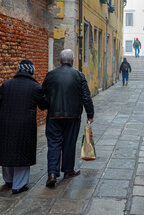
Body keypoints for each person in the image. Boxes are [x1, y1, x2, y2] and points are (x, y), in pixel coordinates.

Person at [0, 59, 47, 194]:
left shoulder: (6, 85)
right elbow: (44, 105)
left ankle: (9, 180)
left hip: (6, 124)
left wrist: (1, 120)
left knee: (7, 151)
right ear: (31, 71)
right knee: (22, 152)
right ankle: (19, 185)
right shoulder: (35, 87)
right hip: (25, 126)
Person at [42, 49, 94, 188]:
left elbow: (43, 96)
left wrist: (46, 106)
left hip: (54, 115)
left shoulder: (51, 75)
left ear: (60, 61)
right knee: (69, 143)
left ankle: (52, 174)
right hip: (73, 116)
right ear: (72, 61)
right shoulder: (79, 75)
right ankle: (68, 170)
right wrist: (90, 114)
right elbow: (86, 97)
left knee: (53, 144)